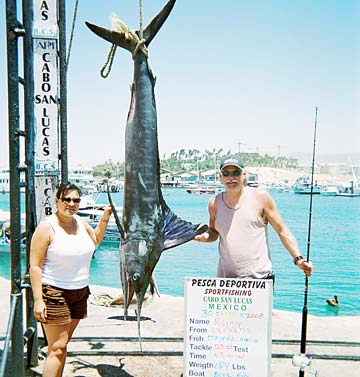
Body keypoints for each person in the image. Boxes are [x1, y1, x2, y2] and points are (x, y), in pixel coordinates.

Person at [30, 182, 113, 377]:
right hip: (54, 292)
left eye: (76, 200)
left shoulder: (81, 223)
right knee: (56, 348)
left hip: (80, 292)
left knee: (63, 345)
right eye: (66, 199)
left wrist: (106, 217)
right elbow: (35, 266)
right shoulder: (46, 227)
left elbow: (95, 240)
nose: (71, 203)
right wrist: (38, 300)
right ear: (57, 200)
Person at [195, 156, 313, 280]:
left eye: (236, 173)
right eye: (226, 173)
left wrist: (298, 259)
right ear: (220, 177)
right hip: (226, 280)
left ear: (244, 174)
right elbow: (213, 232)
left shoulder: (261, 197)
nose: (231, 178)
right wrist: (201, 237)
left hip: (259, 279)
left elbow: (282, 230)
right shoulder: (214, 203)